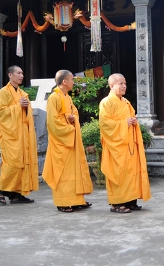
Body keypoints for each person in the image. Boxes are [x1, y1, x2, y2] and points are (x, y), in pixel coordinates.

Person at [98, 73, 151, 213]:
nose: (124, 86)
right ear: (112, 86)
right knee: (119, 173)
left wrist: (133, 121)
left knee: (130, 173)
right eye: (120, 83)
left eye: (125, 83)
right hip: (116, 146)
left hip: (129, 145)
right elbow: (105, 124)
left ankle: (130, 200)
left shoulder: (126, 102)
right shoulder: (106, 102)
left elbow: (131, 117)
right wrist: (124, 123)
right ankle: (117, 203)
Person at [42, 70, 93, 213]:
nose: (74, 82)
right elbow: (53, 122)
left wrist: (72, 119)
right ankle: (63, 202)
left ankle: (76, 200)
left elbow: (74, 113)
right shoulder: (54, 98)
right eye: (72, 79)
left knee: (74, 171)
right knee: (62, 173)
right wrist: (70, 127)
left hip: (70, 140)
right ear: (64, 81)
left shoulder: (67, 97)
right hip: (61, 142)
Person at [0, 66, 38, 205]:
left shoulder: (23, 93)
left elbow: (28, 114)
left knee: (23, 163)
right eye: (18, 73)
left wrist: (26, 108)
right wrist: (18, 106)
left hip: (22, 135)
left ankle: (16, 194)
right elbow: (1, 113)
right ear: (10, 75)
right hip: (10, 135)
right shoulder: (4, 92)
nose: (21, 75)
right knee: (12, 164)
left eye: (22, 73)